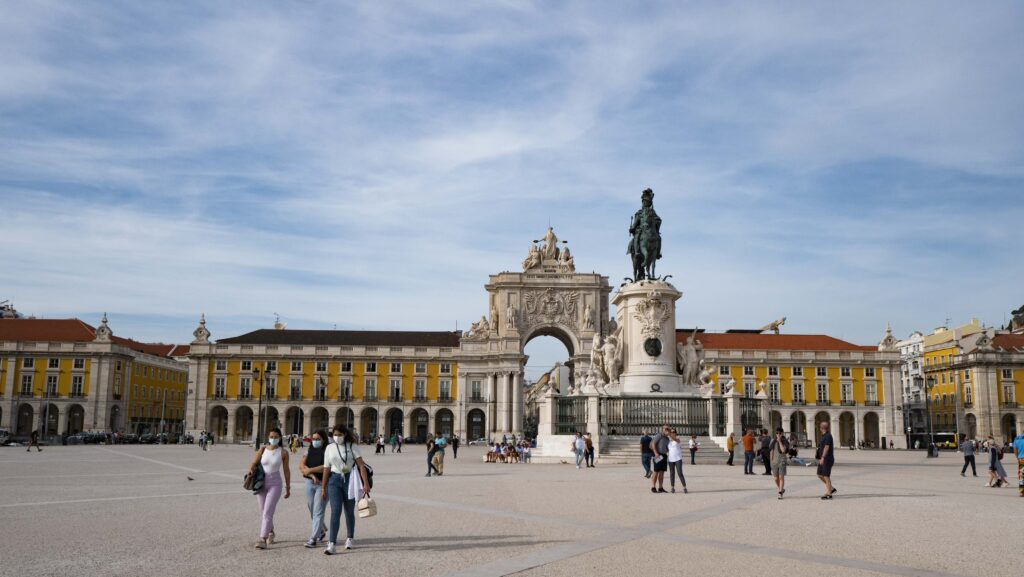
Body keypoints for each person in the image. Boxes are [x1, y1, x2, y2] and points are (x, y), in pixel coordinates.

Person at [321, 425, 371, 555]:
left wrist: (365, 483)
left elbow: (361, 465)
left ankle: (349, 538)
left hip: (350, 480)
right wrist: (323, 487)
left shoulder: (352, 446)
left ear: (344, 434)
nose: (337, 437)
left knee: (349, 511)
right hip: (334, 480)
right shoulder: (329, 448)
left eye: (339, 434)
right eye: (335, 435)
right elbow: (326, 468)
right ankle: (331, 543)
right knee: (335, 511)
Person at [248, 427, 290, 549]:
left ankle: (262, 538)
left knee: (267, 511)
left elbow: (286, 471)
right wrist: (250, 469)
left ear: (280, 438)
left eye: (276, 437)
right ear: (268, 437)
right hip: (261, 482)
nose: (273, 439)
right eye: (271, 437)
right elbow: (254, 463)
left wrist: (288, 487)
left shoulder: (283, 452)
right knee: (264, 511)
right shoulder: (262, 450)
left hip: (275, 483)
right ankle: (271, 531)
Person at [300, 430, 328, 548]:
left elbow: (326, 466)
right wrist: (311, 475)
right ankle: (321, 530)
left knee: (318, 511)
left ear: (323, 439)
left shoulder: (328, 451)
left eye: (318, 439)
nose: (315, 441)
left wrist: (311, 470)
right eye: (313, 439)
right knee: (312, 508)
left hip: (323, 483)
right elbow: (301, 465)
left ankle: (313, 538)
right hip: (309, 482)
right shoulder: (308, 450)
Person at [816, 421, 836, 500]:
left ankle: (829, 493)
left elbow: (826, 447)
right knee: (819, 475)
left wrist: (823, 457)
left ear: (821, 428)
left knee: (826, 476)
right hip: (823, 459)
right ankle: (831, 488)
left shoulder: (828, 436)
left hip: (827, 459)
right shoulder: (824, 436)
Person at [769, 427, 790, 499]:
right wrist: (771, 461)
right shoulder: (773, 441)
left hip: (782, 461)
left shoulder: (785, 441)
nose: (778, 434)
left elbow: (783, 450)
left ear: (782, 433)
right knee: (775, 478)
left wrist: (780, 441)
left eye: (780, 433)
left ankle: (780, 492)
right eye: (777, 433)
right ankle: (781, 489)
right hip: (774, 462)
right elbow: (771, 450)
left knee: (781, 477)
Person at [649, 425, 670, 493]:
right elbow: (653, 443)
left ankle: (660, 487)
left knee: (662, 472)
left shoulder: (667, 438)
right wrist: (655, 453)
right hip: (658, 455)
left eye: (668, 429)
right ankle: (653, 487)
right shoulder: (659, 435)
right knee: (656, 471)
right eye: (666, 429)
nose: (667, 430)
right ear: (662, 429)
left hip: (664, 455)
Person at [667, 429, 688, 493]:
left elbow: (675, 439)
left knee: (679, 473)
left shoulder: (678, 440)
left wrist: (670, 435)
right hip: (670, 459)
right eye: (671, 432)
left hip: (678, 459)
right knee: (672, 473)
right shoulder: (669, 441)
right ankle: (672, 487)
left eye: (673, 432)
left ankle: (684, 487)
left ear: (676, 433)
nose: (672, 433)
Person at [1013, 433, 1024, 497]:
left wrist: (1018, 457)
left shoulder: (1017, 440)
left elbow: (1015, 450)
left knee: (1022, 476)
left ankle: (1022, 492)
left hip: (1021, 459)